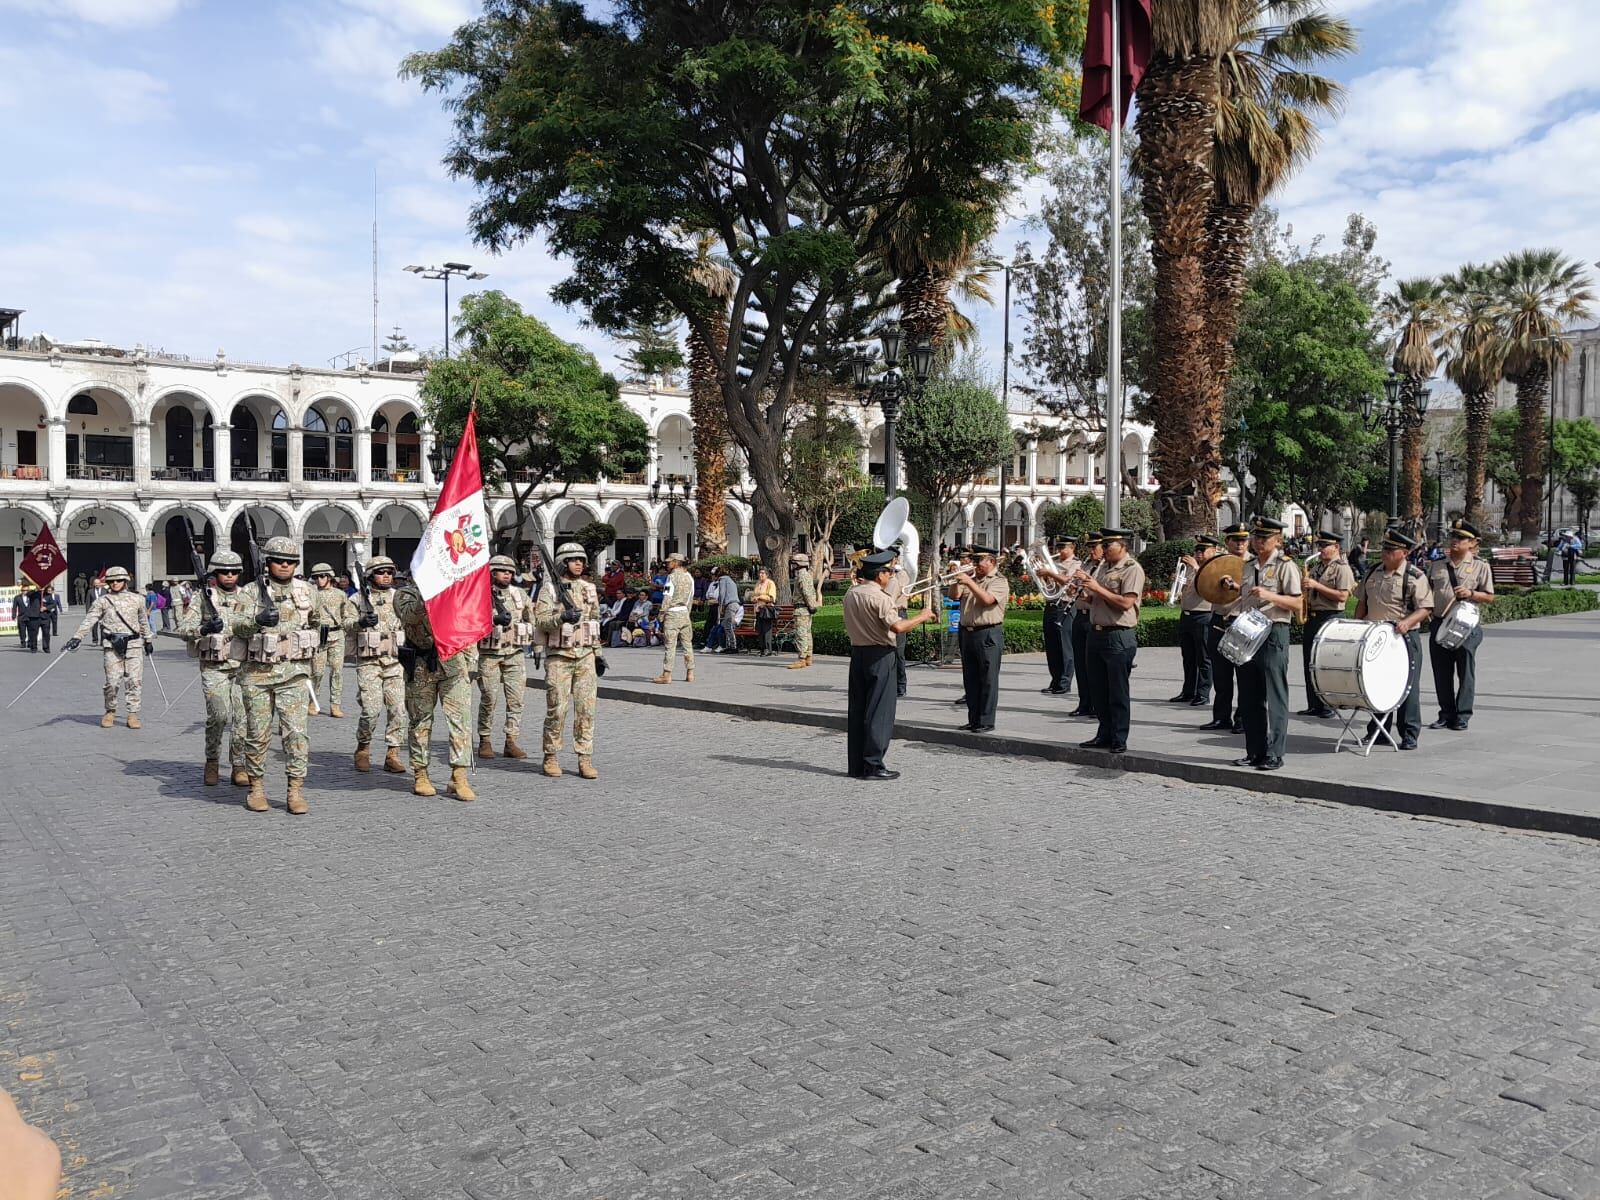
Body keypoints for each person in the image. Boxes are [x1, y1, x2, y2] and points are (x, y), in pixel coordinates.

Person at [223, 537, 317, 814]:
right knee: (257, 734)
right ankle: (257, 788)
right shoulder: (250, 592)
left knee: (297, 735)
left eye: (290, 562)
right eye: (278, 561)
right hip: (257, 675)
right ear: (268, 563)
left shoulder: (308, 591)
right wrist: (256, 622)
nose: (285, 566)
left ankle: (295, 790)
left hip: (294, 673)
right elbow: (236, 626)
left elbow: (318, 623)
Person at [843, 549, 940, 779]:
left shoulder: (851, 593)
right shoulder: (880, 597)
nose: (890, 575)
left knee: (858, 711)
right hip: (880, 655)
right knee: (880, 712)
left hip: (858, 654)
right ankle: (874, 764)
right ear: (879, 575)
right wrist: (923, 616)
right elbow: (897, 627)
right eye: (888, 571)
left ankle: (857, 765)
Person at [393, 577, 478, 801]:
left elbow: (467, 624)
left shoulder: (455, 594)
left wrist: (472, 663)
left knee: (461, 720)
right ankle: (421, 773)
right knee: (420, 721)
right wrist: (429, 591)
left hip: (453, 664)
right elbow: (410, 615)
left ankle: (459, 776)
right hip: (422, 666)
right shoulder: (405, 595)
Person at [1232, 517, 1303, 772]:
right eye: (1256, 536)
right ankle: (1255, 751)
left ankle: (1275, 753)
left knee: (1275, 695)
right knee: (1249, 696)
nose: (1258, 541)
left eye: (1265, 537)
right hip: (1249, 632)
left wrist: (1270, 595)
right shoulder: (1249, 566)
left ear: (1277, 540)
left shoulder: (1286, 566)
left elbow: (1297, 603)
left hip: (1274, 631)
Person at [178, 550, 252, 787]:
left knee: (242, 717)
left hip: (243, 665)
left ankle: (239, 764)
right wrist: (204, 628)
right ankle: (212, 761)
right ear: (215, 573)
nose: (229, 576)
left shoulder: (248, 596)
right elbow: (183, 629)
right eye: (224, 572)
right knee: (219, 715)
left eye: (233, 572)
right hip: (214, 666)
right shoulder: (203, 597)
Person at [1354, 527, 1433, 750]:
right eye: (1385, 549)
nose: (1385, 553)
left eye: (1391, 550)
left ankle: (1409, 732)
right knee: (1377, 685)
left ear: (1404, 553)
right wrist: (1357, 626)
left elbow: (1425, 607)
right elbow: (1362, 603)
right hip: (1376, 638)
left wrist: (1407, 622)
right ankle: (1378, 730)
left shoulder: (1414, 576)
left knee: (1407, 687)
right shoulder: (1372, 572)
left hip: (1404, 638)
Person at [535, 541, 603, 779]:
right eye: (574, 559)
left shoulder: (589, 588)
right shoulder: (550, 590)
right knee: (557, 709)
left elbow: (594, 622)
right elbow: (540, 621)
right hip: (559, 657)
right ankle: (551, 755)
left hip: (585, 655)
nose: (579, 563)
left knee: (586, 709)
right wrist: (561, 617)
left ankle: (585, 757)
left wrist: (599, 654)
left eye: (582, 560)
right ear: (562, 562)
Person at [1074, 529, 1144, 753]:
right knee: (1098, 689)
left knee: (1117, 690)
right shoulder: (1103, 567)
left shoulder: (1132, 569)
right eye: (1103, 546)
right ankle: (1104, 733)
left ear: (1122, 546)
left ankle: (1119, 737)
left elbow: (1125, 603)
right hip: (1096, 633)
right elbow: (1097, 598)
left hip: (1118, 634)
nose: (1103, 550)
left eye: (1108, 546)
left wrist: (1096, 588)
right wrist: (1085, 593)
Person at [1427, 518, 1495, 732]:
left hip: (1466, 625)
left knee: (1465, 671)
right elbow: (1426, 593)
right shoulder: (1437, 565)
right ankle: (1445, 713)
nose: (1454, 540)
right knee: (1441, 672)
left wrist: (1472, 593)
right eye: (1453, 536)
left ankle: (1463, 715)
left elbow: (1490, 596)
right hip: (1440, 623)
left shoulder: (1480, 566)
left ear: (1472, 543)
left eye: (1461, 538)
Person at [65, 565, 153, 728]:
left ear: (126, 581)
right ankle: (110, 710)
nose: (115, 583)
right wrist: (77, 637)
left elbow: (143, 621)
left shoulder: (137, 599)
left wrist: (148, 640)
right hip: (112, 645)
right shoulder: (102, 601)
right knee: (112, 682)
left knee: (134, 681)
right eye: (112, 581)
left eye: (119, 580)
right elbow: (90, 619)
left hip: (133, 645)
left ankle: (133, 714)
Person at [347, 556, 409, 776]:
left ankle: (393, 753)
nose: (386, 576)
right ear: (370, 576)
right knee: (371, 710)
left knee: (398, 710)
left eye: (390, 572)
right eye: (381, 572)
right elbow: (345, 624)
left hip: (394, 662)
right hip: (369, 663)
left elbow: (411, 622)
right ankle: (363, 748)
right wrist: (360, 623)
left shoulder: (399, 597)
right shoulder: (358, 599)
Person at [477, 554, 536, 760]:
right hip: (489, 654)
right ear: (492, 573)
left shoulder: (519, 594)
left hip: (515, 653)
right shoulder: (480, 595)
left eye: (510, 572)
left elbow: (532, 618)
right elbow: (471, 622)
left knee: (516, 699)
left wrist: (537, 646)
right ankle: (485, 739)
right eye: (503, 571)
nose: (507, 575)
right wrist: (492, 619)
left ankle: (511, 740)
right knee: (489, 698)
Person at [948, 545, 1009, 733]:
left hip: (988, 633)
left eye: (978, 561)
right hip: (968, 632)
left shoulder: (999, 581)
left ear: (991, 562)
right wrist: (956, 580)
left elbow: (987, 600)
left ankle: (986, 721)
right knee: (971, 679)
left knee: (988, 679)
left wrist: (969, 582)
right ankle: (973, 719)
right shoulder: (972, 579)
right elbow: (954, 596)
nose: (974, 565)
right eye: (973, 561)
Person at [1199, 524, 1252, 734]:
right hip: (1219, 619)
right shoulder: (1218, 562)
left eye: (1244, 540)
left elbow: (1258, 592)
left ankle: (1242, 718)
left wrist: (1237, 588)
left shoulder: (1253, 564)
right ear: (1227, 542)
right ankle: (1221, 717)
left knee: (1244, 675)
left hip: (1241, 621)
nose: (1240, 544)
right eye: (1236, 540)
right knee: (1221, 675)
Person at [1299, 531, 1357, 718]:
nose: (1321, 549)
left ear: (1336, 547)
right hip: (1314, 617)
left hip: (1331, 617)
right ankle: (1314, 704)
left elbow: (1342, 596)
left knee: (1324, 663)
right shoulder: (1316, 567)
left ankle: (1328, 706)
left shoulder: (1342, 568)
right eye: (1319, 546)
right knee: (1309, 662)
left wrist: (1317, 586)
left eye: (1325, 546)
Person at [1171, 534, 1219, 707]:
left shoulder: (1214, 567)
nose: (1198, 554)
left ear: (1213, 550)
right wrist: (1178, 582)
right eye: (1196, 550)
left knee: (1204, 657)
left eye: (1202, 550)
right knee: (1188, 656)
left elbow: (1211, 583)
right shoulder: (1192, 568)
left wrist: (1196, 567)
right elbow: (1185, 588)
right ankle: (1188, 690)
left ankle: (1203, 693)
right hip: (1187, 614)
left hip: (1203, 614)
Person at [309, 563, 356, 718]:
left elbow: (347, 613)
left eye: (322, 576)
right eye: (315, 577)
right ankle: (313, 702)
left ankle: (335, 705)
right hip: (318, 636)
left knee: (337, 672)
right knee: (317, 672)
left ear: (329, 577)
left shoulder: (340, 594)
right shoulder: (311, 593)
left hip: (336, 636)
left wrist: (346, 626)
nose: (319, 580)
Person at [1037, 535, 1078, 696]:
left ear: (1072, 548)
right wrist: (1044, 576)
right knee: (1052, 646)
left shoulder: (1077, 564)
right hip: (1051, 605)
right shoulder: (1054, 564)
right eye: (1058, 548)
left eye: (1063, 548)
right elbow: (1049, 586)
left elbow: (1069, 582)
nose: (1059, 551)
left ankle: (1064, 682)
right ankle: (1055, 680)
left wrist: (1050, 573)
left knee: (1064, 645)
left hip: (1066, 606)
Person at [1067, 533, 1102, 717]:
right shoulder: (1087, 565)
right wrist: (1074, 587)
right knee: (1080, 663)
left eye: (1094, 547)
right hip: (1079, 616)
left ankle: (1097, 705)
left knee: (1093, 666)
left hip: (1093, 617)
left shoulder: (1103, 568)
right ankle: (1085, 702)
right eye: (1089, 547)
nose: (1091, 551)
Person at [653, 551, 696, 684]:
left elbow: (667, 597)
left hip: (672, 613)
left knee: (670, 645)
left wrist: (661, 615)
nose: (667, 564)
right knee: (687, 645)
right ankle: (690, 673)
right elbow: (690, 598)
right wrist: (687, 613)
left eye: (669, 562)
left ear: (676, 563)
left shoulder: (671, 577)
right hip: (684, 613)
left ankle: (667, 674)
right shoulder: (689, 577)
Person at [788, 552, 823, 670]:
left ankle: (801, 659)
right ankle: (808, 657)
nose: (792, 566)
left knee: (801, 634)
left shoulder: (801, 576)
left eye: (794, 563)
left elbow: (806, 593)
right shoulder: (806, 575)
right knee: (807, 634)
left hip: (801, 609)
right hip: (806, 609)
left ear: (798, 564)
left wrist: (811, 605)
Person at [751, 567, 779, 656]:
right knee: (760, 629)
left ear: (767, 574)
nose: (761, 575)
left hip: (766, 609)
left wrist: (759, 597)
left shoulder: (770, 583)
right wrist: (754, 599)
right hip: (758, 609)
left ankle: (768, 649)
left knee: (766, 630)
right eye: (760, 573)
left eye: (763, 573)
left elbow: (771, 598)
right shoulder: (758, 583)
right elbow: (753, 595)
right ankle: (762, 648)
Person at [19, 586, 50, 653]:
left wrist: (46, 608)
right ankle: (33, 648)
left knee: (46, 633)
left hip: (44, 617)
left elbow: (52, 604)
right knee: (33, 633)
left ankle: (46, 647)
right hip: (34, 617)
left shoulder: (47, 595)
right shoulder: (33, 594)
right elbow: (28, 594)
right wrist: (36, 590)